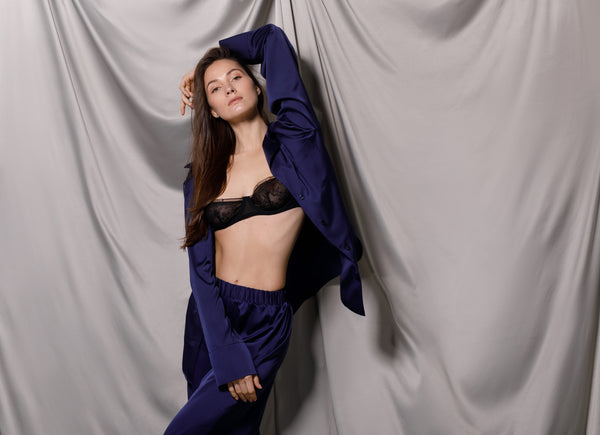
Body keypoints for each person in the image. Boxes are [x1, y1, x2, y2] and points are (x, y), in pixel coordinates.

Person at [164, 24, 364, 435]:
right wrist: (224, 349)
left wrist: (204, 65)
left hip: (265, 319)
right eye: (215, 89)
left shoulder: (296, 140)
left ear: (257, 87)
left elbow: (270, 39)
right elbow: (201, 271)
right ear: (211, 109)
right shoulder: (202, 174)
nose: (228, 88)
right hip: (210, 316)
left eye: (236, 77)